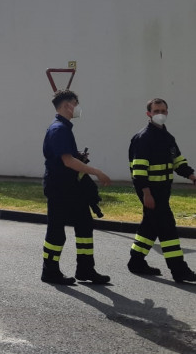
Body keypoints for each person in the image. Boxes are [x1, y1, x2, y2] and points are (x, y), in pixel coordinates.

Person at [41, 89, 112, 285]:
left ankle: (86, 269)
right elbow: (67, 161)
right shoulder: (59, 129)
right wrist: (95, 171)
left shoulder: (63, 128)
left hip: (72, 188)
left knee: (84, 225)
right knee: (56, 231)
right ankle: (50, 271)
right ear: (66, 106)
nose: (78, 107)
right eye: (75, 102)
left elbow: (69, 158)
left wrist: (78, 158)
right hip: (60, 188)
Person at [127, 98, 196, 282]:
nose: (160, 114)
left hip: (163, 192)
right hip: (150, 192)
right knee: (167, 229)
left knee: (150, 227)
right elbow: (139, 172)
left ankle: (136, 261)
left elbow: (178, 162)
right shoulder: (143, 138)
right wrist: (146, 194)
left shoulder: (167, 138)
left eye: (163, 111)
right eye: (156, 110)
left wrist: (192, 176)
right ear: (148, 113)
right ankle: (179, 270)